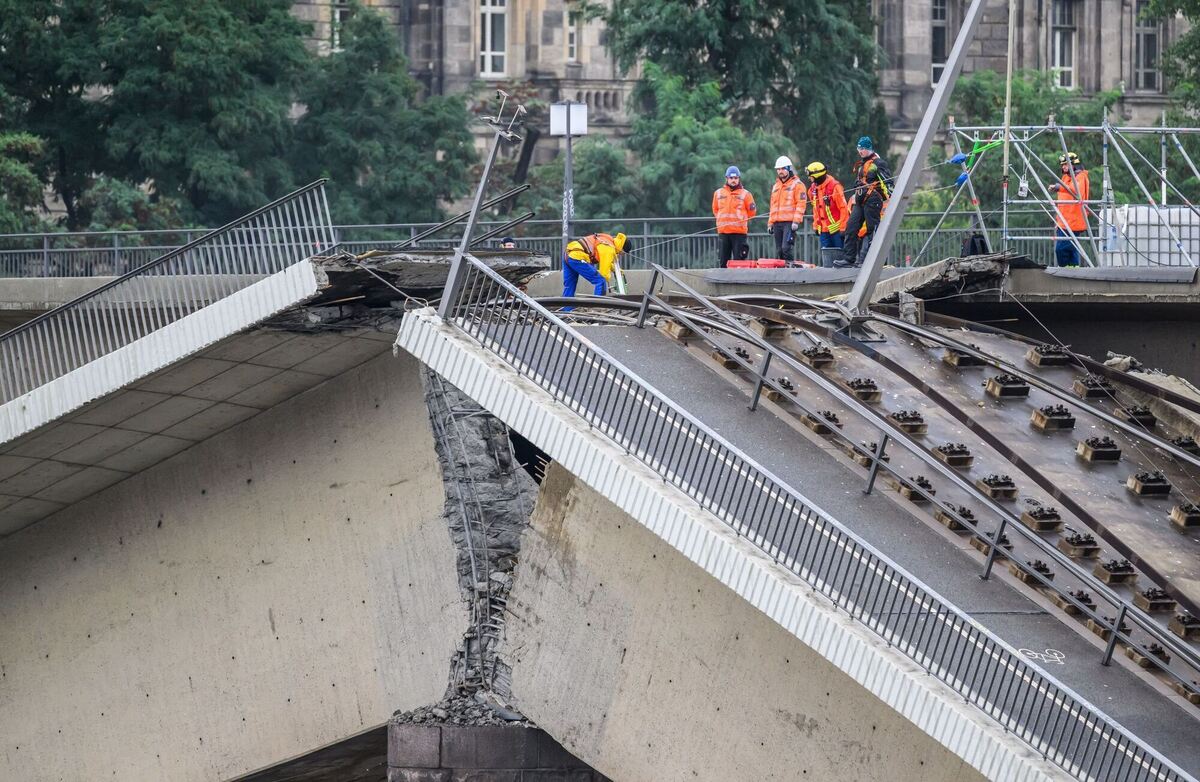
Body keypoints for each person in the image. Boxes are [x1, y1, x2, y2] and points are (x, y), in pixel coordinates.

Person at [837, 136, 892, 268]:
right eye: (859, 148)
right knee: (851, 227)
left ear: (869, 149)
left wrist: (891, 195)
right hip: (860, 201)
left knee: (872, 230)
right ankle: (849, 259)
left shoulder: (878, 163)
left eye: (863, 149)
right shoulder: (862, 164)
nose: (860, 151)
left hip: (873, 200)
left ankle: (874, 260)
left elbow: (888, 182)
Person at [561, 231, 632, 298]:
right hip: (577, 257)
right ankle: (597, 307)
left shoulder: (608, 241)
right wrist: (607, 281)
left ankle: (566, 309)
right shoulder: (609, 249)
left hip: (568, 254)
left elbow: (607, 262)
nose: (622, 255)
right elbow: (604, 273)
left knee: (569, 286)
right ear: (622, 249)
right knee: (600, 281)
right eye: (624, 253)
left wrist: (617, 270)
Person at [1049, 151, 1089, 267]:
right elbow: (1062, 202)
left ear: (1073, 164)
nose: (1063, 167)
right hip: (1064, 221)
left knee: (1061, 249)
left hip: (1074, 221)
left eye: (1065, 164)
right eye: (1062, 165)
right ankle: (1073, 270)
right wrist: (1058, 220)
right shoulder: (1066, 177)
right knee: (1072, 249)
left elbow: (1075, 190)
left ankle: (1065, 270)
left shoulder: (1081, 177)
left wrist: (1057, 187)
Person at [805, 161, 848, 268]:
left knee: (840, 257)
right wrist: (816, 225)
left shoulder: (834, 187)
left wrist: (843, 228)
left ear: (817, 176)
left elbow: (843, 208)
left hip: (837, 230)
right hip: (823, 231)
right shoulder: (812, 190)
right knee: (827, 259)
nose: (809, 178)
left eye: (811, 176)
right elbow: (815, 209)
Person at [712, 165, 757, 267]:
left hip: (739, 234)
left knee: (739, 263)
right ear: (727, 178)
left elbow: (752, 212)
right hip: (723, 233)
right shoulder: (718, 193)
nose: (733, 180)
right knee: (723, 262)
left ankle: (738, 283)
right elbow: (715, 209)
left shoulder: (746, 194)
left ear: (739, 179)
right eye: (731, 178)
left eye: (736, 178)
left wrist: (740, 220)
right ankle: (723, 282)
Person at [768, 156, 806, 262]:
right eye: (778, 169)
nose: (780, 171)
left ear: (789, 168)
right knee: (779, 250)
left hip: (789, 223)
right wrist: (770, 223)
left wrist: (796, 221)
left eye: (783, 168)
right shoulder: (776, 186)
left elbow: (801, 204)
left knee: (786, 248)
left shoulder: (798, 185)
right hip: (776, 223)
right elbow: (773, 206)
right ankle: (782, 273)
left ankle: (791, 270)